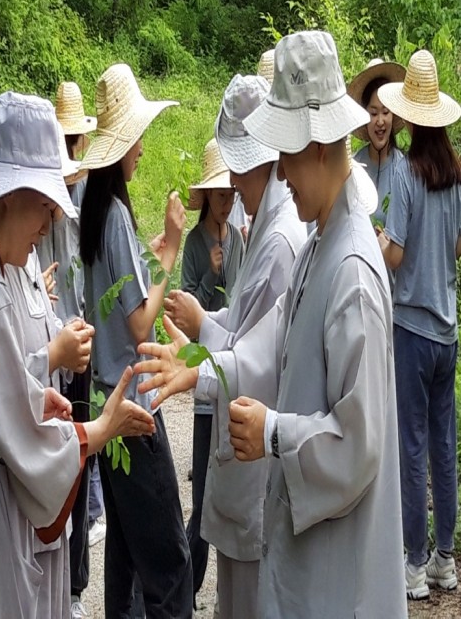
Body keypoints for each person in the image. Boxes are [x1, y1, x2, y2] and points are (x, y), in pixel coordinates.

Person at [135, 31, 408, 618]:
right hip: (310, 548)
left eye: (285, 154)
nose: (279, 173)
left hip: (339, 565)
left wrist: (275, 432)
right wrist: (198, 369)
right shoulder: (319, 247)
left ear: (319, 145)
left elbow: (358, 444)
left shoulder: (353, 272)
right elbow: (268, 346)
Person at [0, 91, 155, 619]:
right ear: (10, 195)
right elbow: (23, 441)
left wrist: (32, 395)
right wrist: (101, 429)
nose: (48, 226)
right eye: (45, 207)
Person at [164, 72, 307, 618]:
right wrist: (204, 325)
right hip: (243, 447)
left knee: (249, 598)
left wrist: (198, 349)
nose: (233, 185)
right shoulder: (265, 223)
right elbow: (247, 323)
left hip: (254, 453)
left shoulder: (280, 239)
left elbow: (260, 358)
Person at [79, 64, 193, 618]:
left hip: (106, 399)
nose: (143, 149)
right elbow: (141, 324)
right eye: (138, 138)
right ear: (122, 144)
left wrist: (153, 258)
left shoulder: (91, 210)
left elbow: (117, 299)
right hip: (136, 405)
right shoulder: (115, 216)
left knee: (124, 557)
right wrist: (171, 246)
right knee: (170, 564)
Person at [376, 49, 461, 600]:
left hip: (410, 329)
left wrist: (375, 239)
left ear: (410, 115)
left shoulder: (406, 174)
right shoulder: (456, 174)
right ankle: (445, 560)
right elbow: (457, 247)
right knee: (443, 446)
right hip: (447, 332)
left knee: (410, 447)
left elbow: (397, 254)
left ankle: (411, 564)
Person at [39, 81, 101, 619]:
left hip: (75, 342)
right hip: (50, 349)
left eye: (71, 139)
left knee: (79, 462)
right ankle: (56, 583)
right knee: (54, 463)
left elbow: (83, 276)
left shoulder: (79, 199)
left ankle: (75, 585)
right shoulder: (37, 210)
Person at [181, 136, 245, 607]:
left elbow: (241, 302)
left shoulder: (239, 239)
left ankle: (221, 590)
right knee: (202, 495)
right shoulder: (193, 244)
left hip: (232, 370)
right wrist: (208, 274)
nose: (227, 203)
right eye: (220, 195)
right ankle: (186, 588)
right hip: (205, 376)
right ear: (207, 197)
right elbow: (187, 305)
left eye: (231, 194)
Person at [348, 59, 406, 228]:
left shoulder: (403, 170)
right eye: (373, 114)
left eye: (385, 112)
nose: (380, 121)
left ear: (393, 115)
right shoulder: (353, 168)